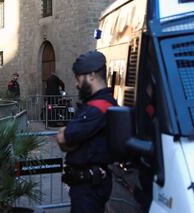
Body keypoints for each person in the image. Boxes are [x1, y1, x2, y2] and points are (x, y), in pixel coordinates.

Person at [56, 51, 117, 213]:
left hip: (89, 189)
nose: (76, 84)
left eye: (78, 78)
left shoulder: (98, 108)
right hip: (88, 185)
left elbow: (63, 137)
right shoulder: (101, 105)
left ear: (91, 76)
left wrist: (68, 139)